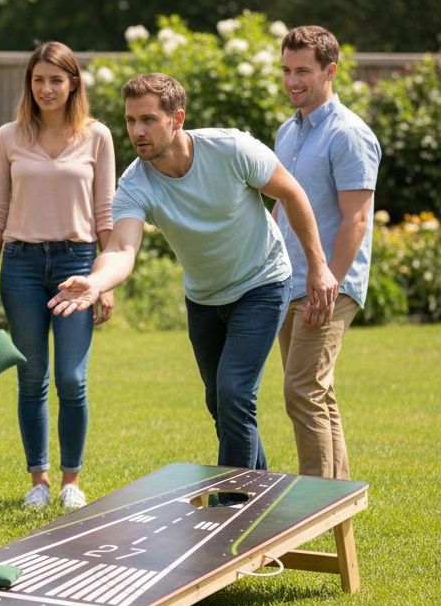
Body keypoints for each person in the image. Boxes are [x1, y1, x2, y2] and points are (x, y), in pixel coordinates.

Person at [49, 72, 338, 471]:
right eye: (131, 121)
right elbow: (121, 247)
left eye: (148, 119)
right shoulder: (135, 183)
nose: (137, 131)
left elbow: (292, 192)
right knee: (220, 404)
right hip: (204, 297)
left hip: (262, 283)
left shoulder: (231, 149)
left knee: (235, 393)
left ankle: (231, 505)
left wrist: (318, 266)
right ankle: (259, 485)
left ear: (177, 118)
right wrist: (96, 283)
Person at [0, 42, 116, 509]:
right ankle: (38, 480)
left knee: (72, 379)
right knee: (31, 376)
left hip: (78, 265)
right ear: (29, 84)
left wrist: (105, 281)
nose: (46, 89)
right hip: (20, 265)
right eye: (38, 80)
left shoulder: (97, 137)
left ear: (73, 83)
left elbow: (105, 214)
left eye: (56, 80)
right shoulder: (8, 137)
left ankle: (71, 480)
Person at [275, 26, 381, 478]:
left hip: (327, 283)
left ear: (329, 71)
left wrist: (328, 281)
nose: (292, 81)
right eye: (286, 70)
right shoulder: (286, 132)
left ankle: (311, 506)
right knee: (316, 392)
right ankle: (335, 500)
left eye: (303, 71)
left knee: (301, 390)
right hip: (288, 280)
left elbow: (356, 218)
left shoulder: (349, 134)